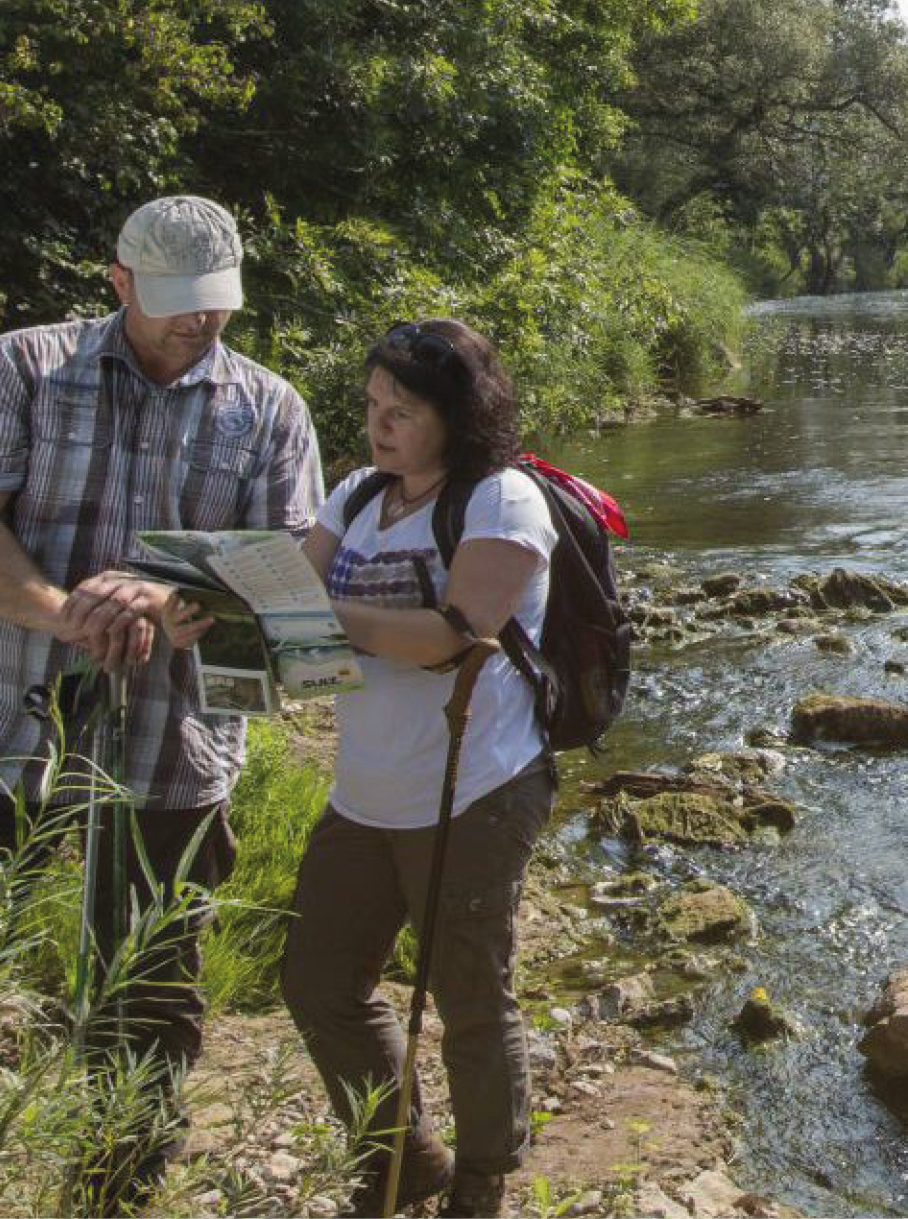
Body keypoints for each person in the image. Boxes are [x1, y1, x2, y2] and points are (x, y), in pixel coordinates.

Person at [0, 194, 322, 1217]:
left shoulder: (268, 406)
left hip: (172, 745)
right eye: (175, 304)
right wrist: (64, 612)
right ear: (118, 283)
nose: (197, 325)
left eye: (215, 305)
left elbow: (292, 574)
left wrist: (181, 601)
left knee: (150, 1004)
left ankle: (111, 1200)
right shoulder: (24, 367)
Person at [282, 318, 562, 1218]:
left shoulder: (502, 501)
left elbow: (453, 636)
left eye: (404, 410)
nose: (381, 425)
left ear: (457, 415)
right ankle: (403, 1157)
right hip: (367, 788)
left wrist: (323, 615)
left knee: (470, 994)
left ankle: (482, 1180)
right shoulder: (358, 495)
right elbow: (287, 608)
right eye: (372, 405)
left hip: (475, 785)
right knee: (319, 981)